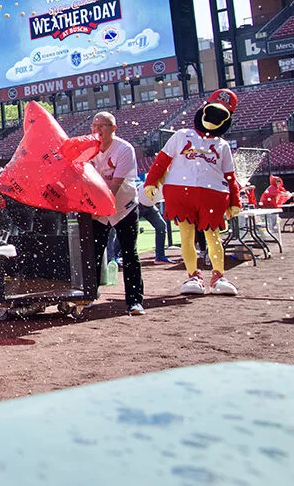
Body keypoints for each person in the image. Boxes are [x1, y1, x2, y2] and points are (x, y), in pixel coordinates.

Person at [143, 89, 242, 296]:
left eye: (220, 115)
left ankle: (218, 276)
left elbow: (230, 176)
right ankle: (193, 276)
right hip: (181, 192)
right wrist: (150, 182)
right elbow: (162, 161)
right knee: (186, 236)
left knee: (213, 236)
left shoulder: (222, 145)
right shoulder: (181, 135)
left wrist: (235, 201)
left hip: (213, 193)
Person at [88, 112, 145, 316]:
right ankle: (88, 295)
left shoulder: (124, 149)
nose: (97, 130)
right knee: (92, 252)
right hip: (99, 210)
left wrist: (98, 209)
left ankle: (134, 301)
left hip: (124, 207)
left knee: (130, 252)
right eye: (94, 126)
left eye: (102, 126)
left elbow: (115, 185)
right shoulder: (89, 150)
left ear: (113, 128)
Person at [137, 182, 173, 263]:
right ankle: (115, 256)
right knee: (128, 229)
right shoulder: (163, 179)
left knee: (161, 226)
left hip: (149, 205)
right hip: (137, 203)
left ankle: (160, 256)